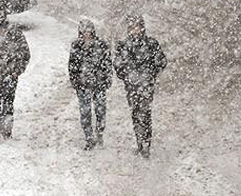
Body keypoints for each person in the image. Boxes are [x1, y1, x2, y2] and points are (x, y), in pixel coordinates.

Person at [114, 15, 167, 158]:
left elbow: (162, 61)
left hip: (146, 86)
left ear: (142, 27)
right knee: (135, 113)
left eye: (137, 26)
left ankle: (146, 144)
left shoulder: (151, 43)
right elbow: (117, 64)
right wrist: (126, 76)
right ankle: (139, 140)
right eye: (132, 27)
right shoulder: (123, 45)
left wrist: (150, 74)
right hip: (131, 86)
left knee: (145, 112)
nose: (135, 30)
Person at [0, 18, 31, 141]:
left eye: (1, 29)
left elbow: (25, 54)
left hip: (10, 76)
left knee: (8, 103)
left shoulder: (16, 35)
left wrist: (16, 71)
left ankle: (7, 130)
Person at [68, 19, 113, 150]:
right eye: (84, 31)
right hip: (82, 85)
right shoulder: (76, 46)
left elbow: (107, 63)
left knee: (100, 111)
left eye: (89, 31)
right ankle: (89, 138)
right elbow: (72, 66)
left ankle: (99, 133)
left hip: (99, 84)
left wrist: (107, 79)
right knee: (85, 112)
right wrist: (75, 81)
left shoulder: (101, 45)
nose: (87, 34)